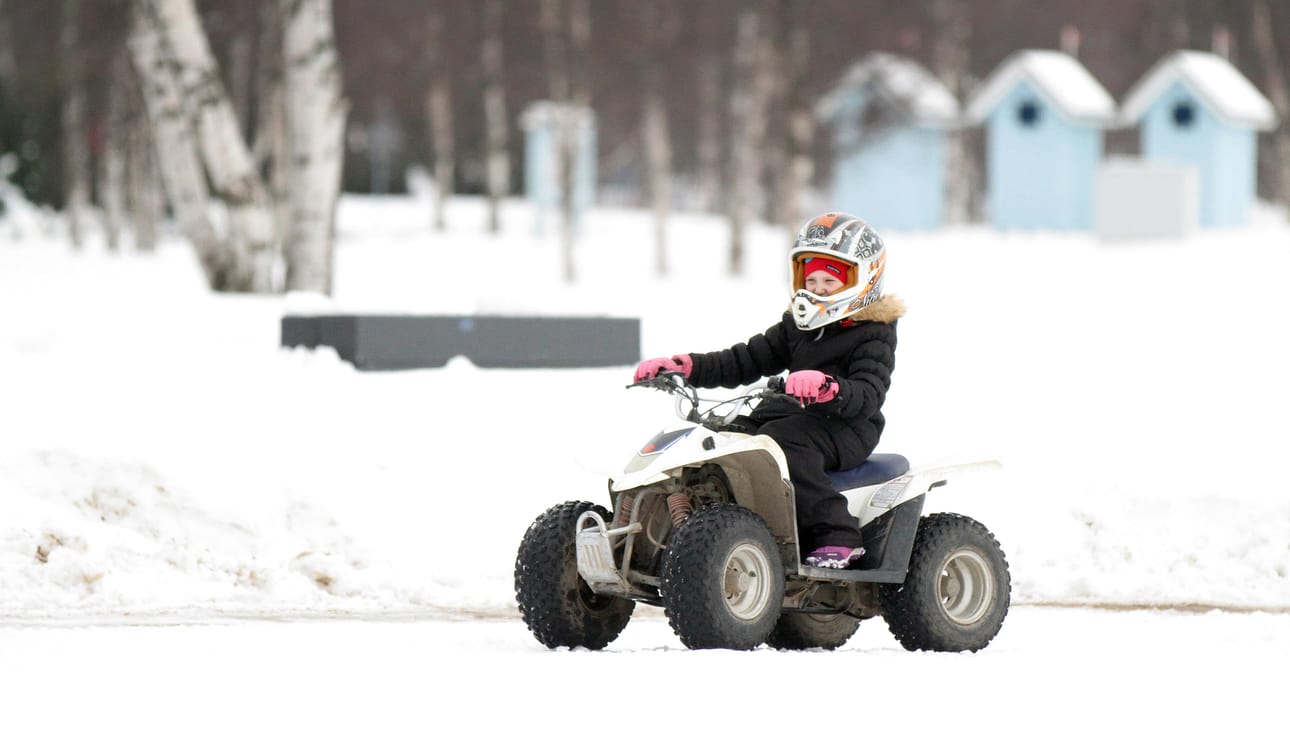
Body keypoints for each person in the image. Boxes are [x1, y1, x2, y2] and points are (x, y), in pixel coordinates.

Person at [633, 212, 905, 569]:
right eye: (811, 280)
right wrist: (687, 367)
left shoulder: (873, 332)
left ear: (863, 280)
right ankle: (701, 529)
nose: (819, 289)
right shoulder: (797, 327)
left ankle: (837, 534)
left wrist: (829, 387)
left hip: (847, 426)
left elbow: (869, 393)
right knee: (723, 438)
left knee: (783, 444)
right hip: (791, 416)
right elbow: (744, 359)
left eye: (830, 281)